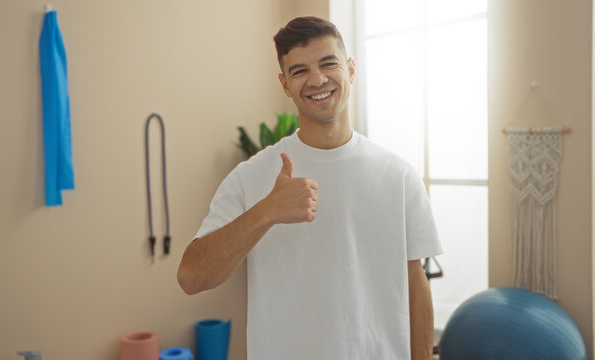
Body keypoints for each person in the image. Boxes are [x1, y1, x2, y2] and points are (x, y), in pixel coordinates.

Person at [177, 16, 443, 360]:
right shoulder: (250, 176)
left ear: (350, 69)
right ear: (285, 84)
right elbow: (191, 277)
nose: (317, 79)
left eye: (328, 63)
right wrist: (267, 211)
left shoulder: (400, 176)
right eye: (299, 70)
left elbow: (415, 286)